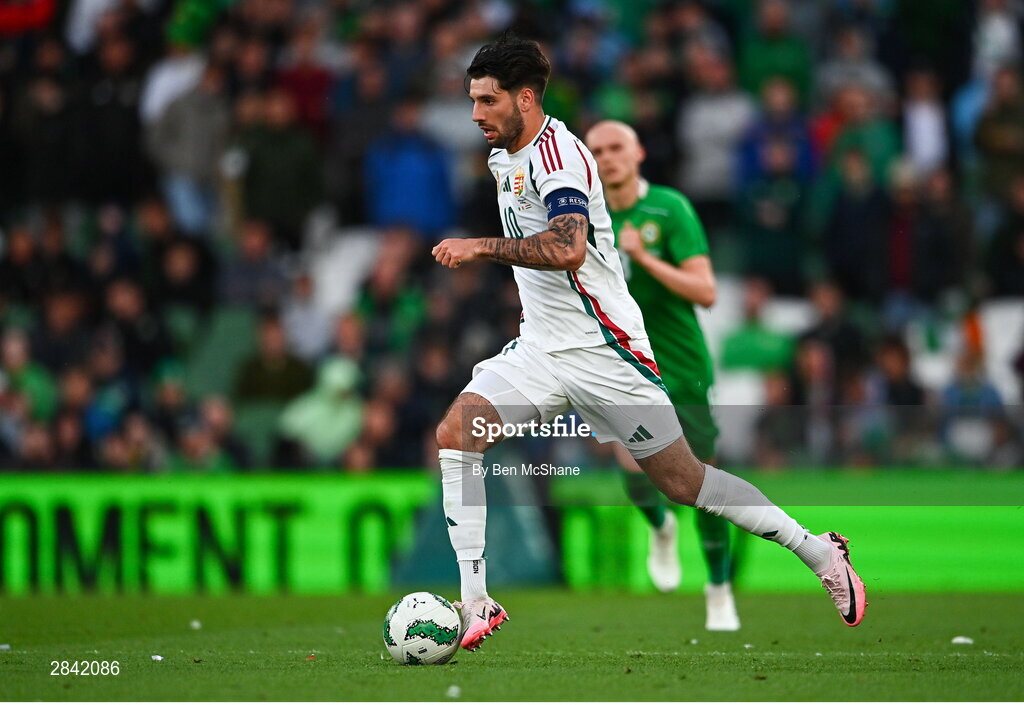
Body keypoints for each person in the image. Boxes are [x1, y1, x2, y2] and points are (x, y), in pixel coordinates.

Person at [430, 33, 866, 654]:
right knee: (455, 435)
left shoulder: (559, 158)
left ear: (526, 99)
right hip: (540, 350)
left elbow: (568, 247)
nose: (475, 115)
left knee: (686, 483)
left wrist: (481, 247)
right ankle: (475, 603)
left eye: (487, 101)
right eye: (473, 101)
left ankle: (820, 552)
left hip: (606, 352)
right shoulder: (506, 155)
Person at [584, 119, 739, 631]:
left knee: (704, 482)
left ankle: (718, 588)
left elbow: (706, 292)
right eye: (597, 150)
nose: (607, 158)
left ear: (639, 153)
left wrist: (644, 257)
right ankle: (661, 528)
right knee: (634, 470)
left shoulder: (669, 209)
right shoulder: (582, 214)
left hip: (680, 361)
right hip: (624, 364)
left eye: (615, 148)